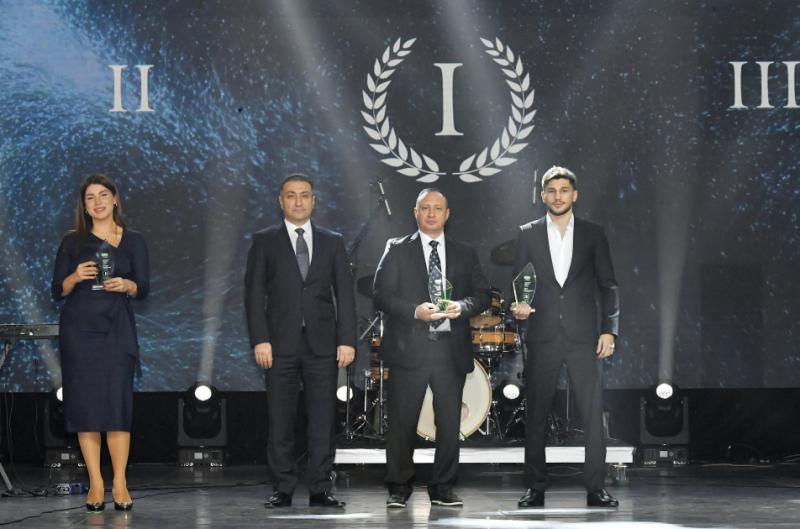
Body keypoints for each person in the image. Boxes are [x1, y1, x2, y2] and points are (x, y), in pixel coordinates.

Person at [244, 174, 356, 508]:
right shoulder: (264, 241)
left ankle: (320, 487)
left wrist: (347, 340)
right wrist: (260, 339)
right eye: (291, 195)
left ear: (313, 201)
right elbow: (253, 296)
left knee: (323, 420)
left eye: (304, 195)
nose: (298, 201)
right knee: (280, 420)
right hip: (278, 346)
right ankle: (283, 487)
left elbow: (345, 295)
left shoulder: (332, 241)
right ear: (280, 201)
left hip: (323, 345)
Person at [510, 166, 620, 508]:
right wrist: (519, 306)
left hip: (585, 337)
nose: (558, 196)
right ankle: (535, 488)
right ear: (543, 195)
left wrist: (609, 330)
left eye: (564, 190)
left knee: (592, 415)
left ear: (575, 194)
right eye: (552, 190)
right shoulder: (527, 233)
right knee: (537, 415)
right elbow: (520, 282)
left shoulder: (592, 233)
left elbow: (608, 285)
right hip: (542, 335)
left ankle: (596, 488)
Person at [373, 188, 490, 508]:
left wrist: (461, 307)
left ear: (447, 214)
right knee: (402, 423)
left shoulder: (465, 252)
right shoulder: (397, 248)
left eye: (438, 208)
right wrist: (414, 311)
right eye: (425, 208)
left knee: (449, 424)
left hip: (449, 351)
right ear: (415, 212)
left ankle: (443, 487)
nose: (431, 213)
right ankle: (399, 486)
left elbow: (482, 295)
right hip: (408, 349)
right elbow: (380, 294)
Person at [51, 173, 150, 512]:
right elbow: (57, 290)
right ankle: (95, 483)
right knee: (86, 408)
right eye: (90, 197)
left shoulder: (134, 240)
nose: (98, 202)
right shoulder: (72, 242)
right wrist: (75, 276)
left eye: (103, 195)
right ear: (84, 205)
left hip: (117, 330)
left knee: (117, 406)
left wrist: (127, 285)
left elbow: (143, 287)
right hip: (79, 330)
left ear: (115, 199)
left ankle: (119, 481)